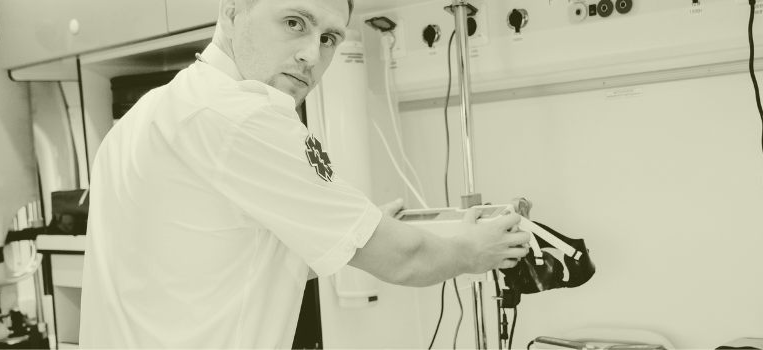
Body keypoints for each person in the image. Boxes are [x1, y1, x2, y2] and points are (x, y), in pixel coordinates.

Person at [78, 0, 531, 348]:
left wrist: (348, 228)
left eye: (330, 37)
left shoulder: (145, 116)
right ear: (232, 10)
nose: (312, 54)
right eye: (294, 22)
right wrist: (474, 252)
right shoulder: (246, 119)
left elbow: (226, 263)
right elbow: (403, 259)